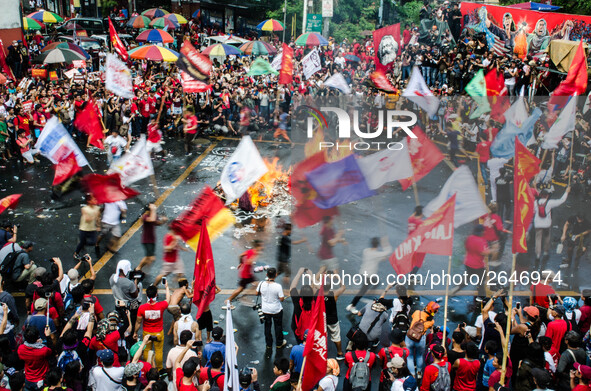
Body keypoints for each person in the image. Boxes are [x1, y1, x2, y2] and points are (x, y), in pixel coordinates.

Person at [346, 236, 391, 315]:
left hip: (364, 273)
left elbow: (377, 258)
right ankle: (352, 305)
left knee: (376, 282)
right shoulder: (375, 254)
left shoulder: (366, 251)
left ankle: (367, 294)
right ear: (378, 245)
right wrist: (385, 243)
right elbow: (388, 251)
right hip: (369, 275)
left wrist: (382, 257)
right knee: (363, 290)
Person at [133, 283, 171, 370]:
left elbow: (138, 322)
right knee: (158, 351)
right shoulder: (161, 305)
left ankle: (147, 368)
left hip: (147, 333)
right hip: (158, 333)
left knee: (146, 350)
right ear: (156, 295)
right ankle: (159, 369)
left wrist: (135, 332)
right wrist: (166, 287)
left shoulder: (142, 308)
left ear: (146, 295)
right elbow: (168, 299)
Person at [534, 187, 570, 271]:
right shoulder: (550, 203)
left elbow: (531, 211)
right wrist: (566, 192)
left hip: (537, 224)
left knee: (538, 239)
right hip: (546, 224)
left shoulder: (535, 202)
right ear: (547, 196)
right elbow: (561, 201)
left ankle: (537, 255)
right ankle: (546, 252)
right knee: (547, 238)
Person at [406, 301, 440, 379]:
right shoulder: (431, 321)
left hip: (410, 336)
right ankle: (419, 373)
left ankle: (412, 375)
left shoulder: (417, 312)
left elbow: (412, 317)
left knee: (410, 356)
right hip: (420, 339)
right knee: (419, 356)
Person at [226, 240, 264, 306]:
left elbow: (241, 255)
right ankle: (228, 300)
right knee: (241, 289)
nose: (262, 247)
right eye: (261, 246)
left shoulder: (250, 251)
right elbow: (249, 262)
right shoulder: (254, 253)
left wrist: (241, 263)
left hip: (247, 273)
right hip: (246, 275)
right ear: (257, 246)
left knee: (256, 284)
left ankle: (243, 296)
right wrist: (255, 257)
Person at [257, 267, 286, 350]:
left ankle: (269, 344)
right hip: (276, 310)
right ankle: (279, 343)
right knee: (278, 326)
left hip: (265, 310)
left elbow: (257, 293)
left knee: (267, 327)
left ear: (266, 275)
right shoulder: (278, 286)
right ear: (275, 275)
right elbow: (281, 298)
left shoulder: (261, 284)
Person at [18, 326, 53, 391]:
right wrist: (48, 336)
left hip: (28, 379)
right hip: (41, 379)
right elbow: (51, 351)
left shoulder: (21, 349)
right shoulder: (43, 350)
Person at [136, 203, 167, 272]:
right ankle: (139, 268)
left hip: (152, 240)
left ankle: (142, 269)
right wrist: (153, 209)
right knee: (151, 258)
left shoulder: (153, 216)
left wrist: (163, 221)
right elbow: (152, 220)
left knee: (149, 257)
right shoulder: (145, 217)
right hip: (146, 240)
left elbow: (158, 223)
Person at [74, 194, 101, 259]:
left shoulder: (97, 208)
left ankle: (82, 243)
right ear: (89, 201)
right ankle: (76, 253)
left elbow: (98, 218)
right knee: (82, 243)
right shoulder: (84, 209)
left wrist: (98, 225)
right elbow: (87, 219)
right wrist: (94, 215)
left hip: (92, 229)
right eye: (94, 199)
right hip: (84, 229)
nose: (95, 200)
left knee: (94, 242)